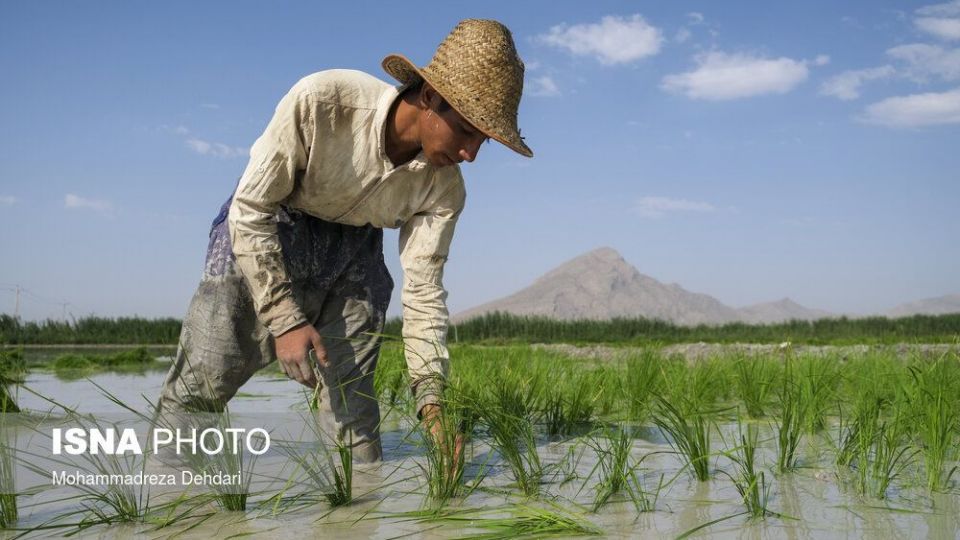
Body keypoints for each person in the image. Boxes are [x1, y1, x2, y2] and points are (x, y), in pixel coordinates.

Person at [156, 19, 533, 463]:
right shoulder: (323, 101)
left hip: (356, 253)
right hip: (270, 226)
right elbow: (251, 209)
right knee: (202, 385)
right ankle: (170, 498)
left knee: (357, 434)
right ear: (430, 97)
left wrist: (432, 407)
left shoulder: (445, 189)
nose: (471, 154)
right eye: (468, 131)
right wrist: (286, 320)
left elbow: (424, 292)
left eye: (483, 141)